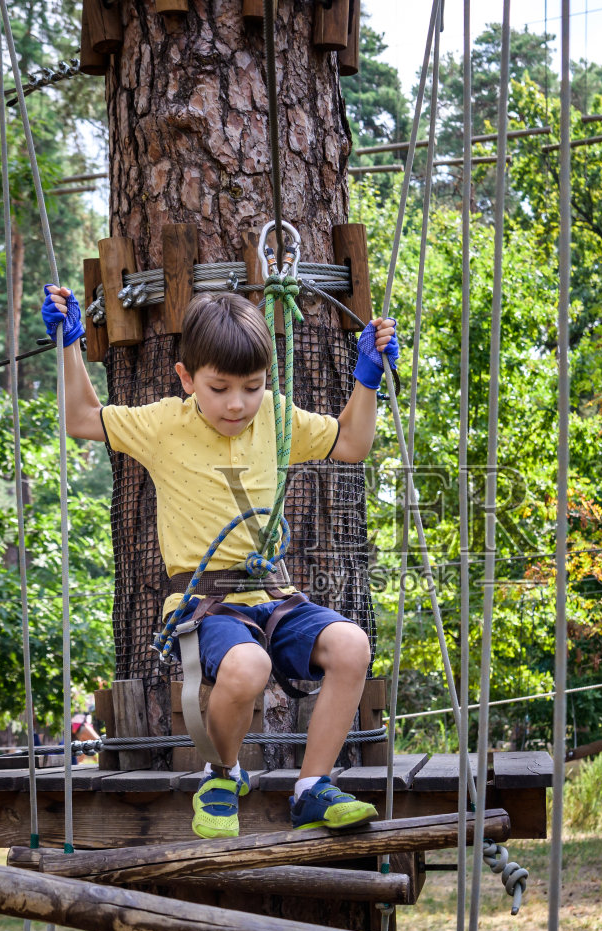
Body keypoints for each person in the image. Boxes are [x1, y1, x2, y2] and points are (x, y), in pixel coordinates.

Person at [43, 283, 398, 839]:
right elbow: (83, 418)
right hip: (204, 605)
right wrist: (68, 345)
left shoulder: (277, 419)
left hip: (272, 598)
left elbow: (352, 442)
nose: (237, 403)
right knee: (247, 666)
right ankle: (223, 774)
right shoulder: (163, 424)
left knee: (352, 645)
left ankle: (312, 788)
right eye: (219, 387)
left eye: (252, 387)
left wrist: (368, 379)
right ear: (187, 379)